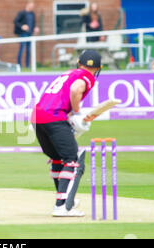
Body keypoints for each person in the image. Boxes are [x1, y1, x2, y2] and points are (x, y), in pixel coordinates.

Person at [30, 50, 102, 217]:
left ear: (79, 63)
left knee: (58, 158)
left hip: (37, 116)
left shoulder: (68, 73)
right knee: (72, 159)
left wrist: (69, 115)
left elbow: (58, 97)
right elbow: (76, 91)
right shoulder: (87, 77)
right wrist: (77, 113)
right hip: (54, 116)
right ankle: (61, 206)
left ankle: (65, 198)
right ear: (98, 68)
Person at [14, 1, 40, 68]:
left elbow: (33, 23)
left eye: (33, 6)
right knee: (22, 49)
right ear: (27, 5)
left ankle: (27, 65)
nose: (32, 7)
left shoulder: (32, 14)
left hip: (29, 34)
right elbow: (15, 21)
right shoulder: (22, 13)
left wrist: (35, 28)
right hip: (23, 34)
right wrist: (22, 26)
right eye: (31, 6)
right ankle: (19, 65)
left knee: (28, 50)